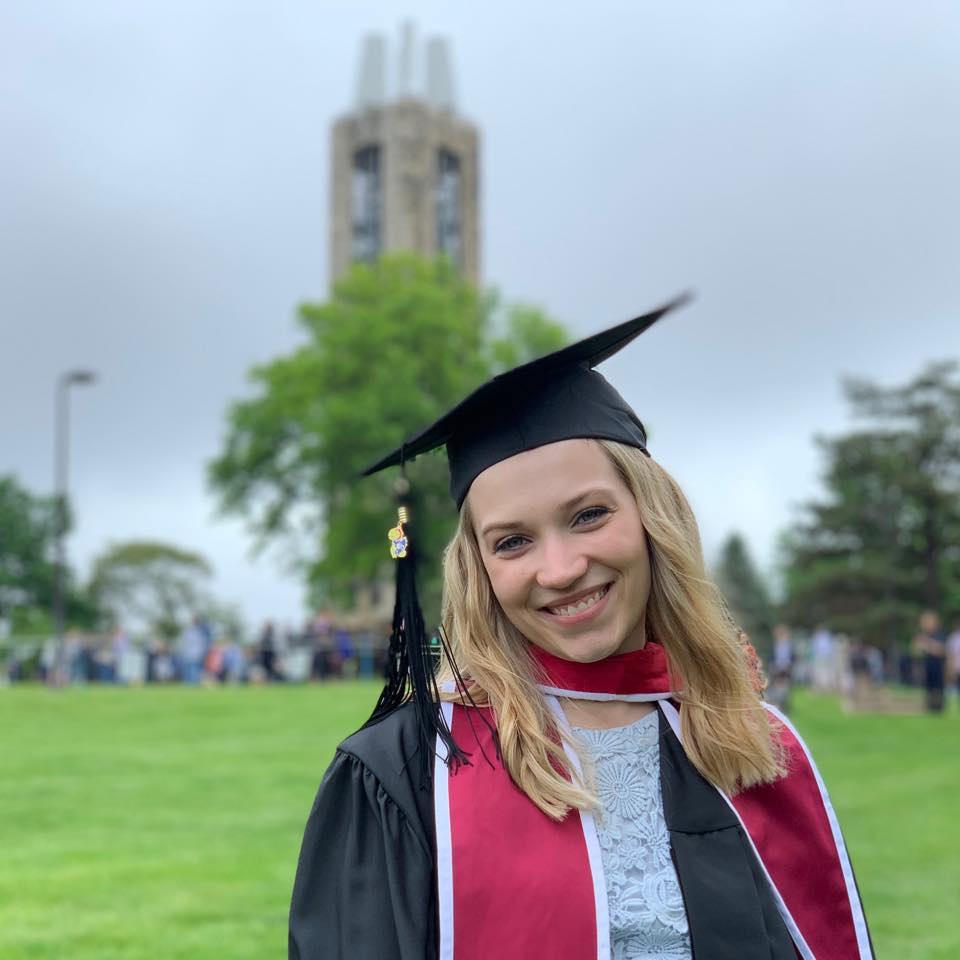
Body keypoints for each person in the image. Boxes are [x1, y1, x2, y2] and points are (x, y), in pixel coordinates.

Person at [288, 297, 874, 959]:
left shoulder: (753, 743)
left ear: (656, 519)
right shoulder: (404, 774)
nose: (561, 569)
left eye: (589, 515)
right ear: (477, 568)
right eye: (512, 543)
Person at [912, 610, 947, 713]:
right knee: (928, 689)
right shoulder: (921, 636)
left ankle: (939, 708)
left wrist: (927, 644)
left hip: (938, 667)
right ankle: (929, 707)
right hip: (926, 667)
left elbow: (941, 651)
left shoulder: (939, 635)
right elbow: (916, 652)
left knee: (938, 689)